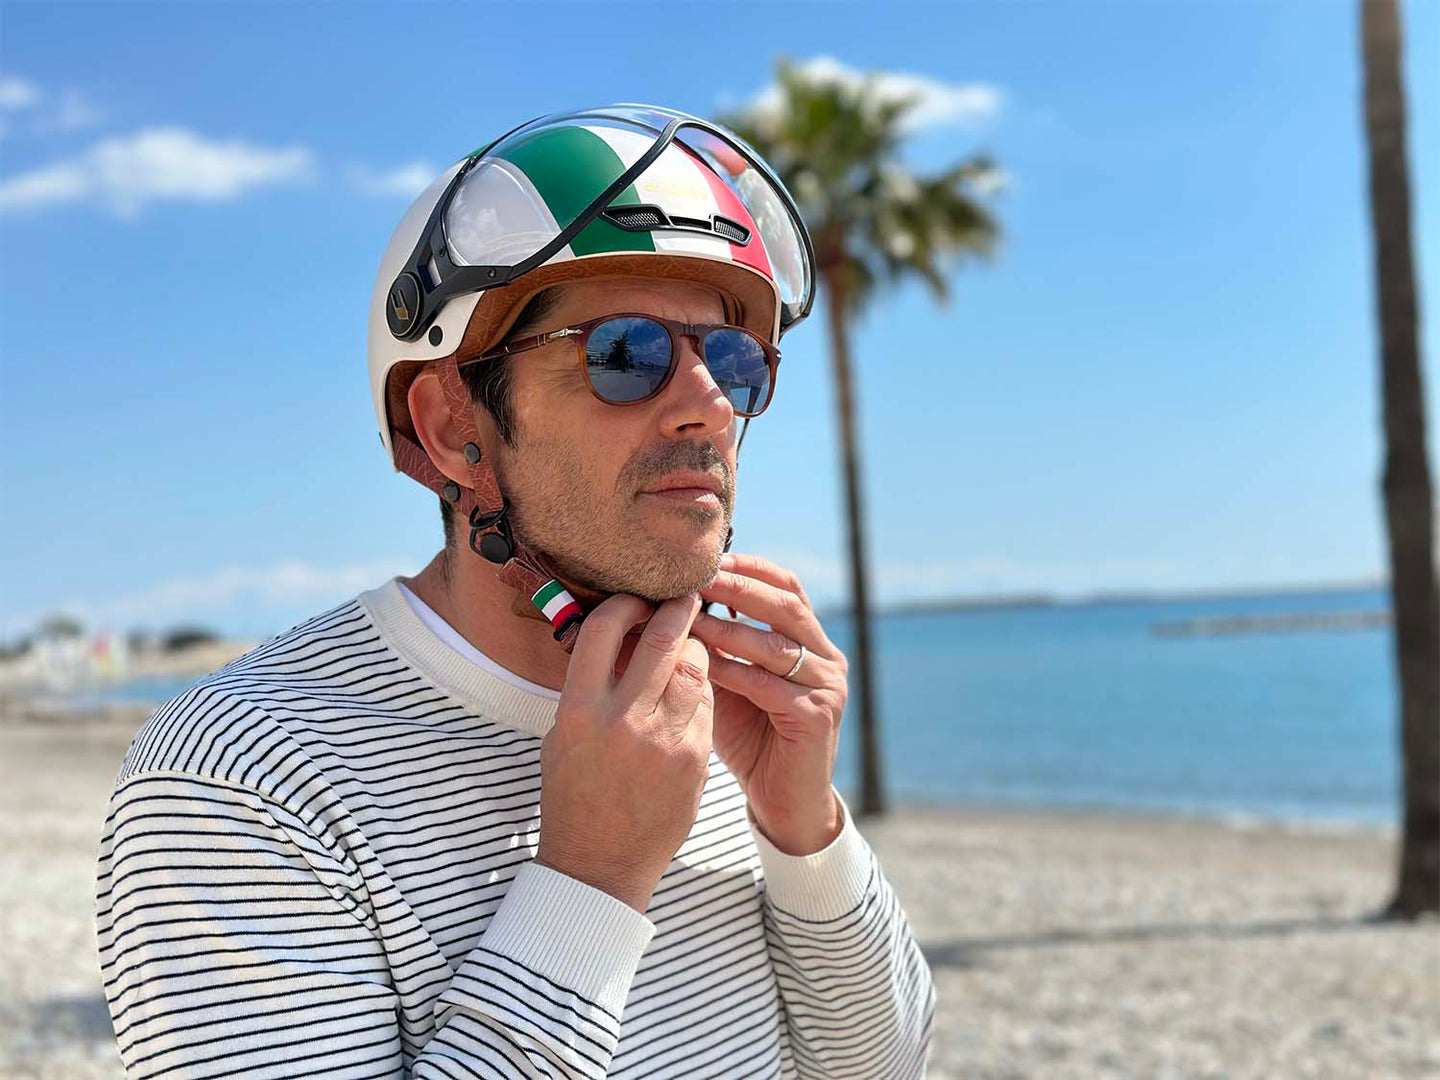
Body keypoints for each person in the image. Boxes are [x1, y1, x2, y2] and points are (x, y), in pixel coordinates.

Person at [95, 103, 937, 1079]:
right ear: (455, 427)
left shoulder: (721, 724)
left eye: (734, 359)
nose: (709, 403)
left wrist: (803, 829)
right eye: (627, 354)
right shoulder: (242, 776)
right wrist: (594, 876)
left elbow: (882, 1068)